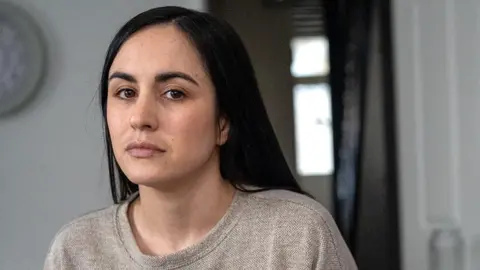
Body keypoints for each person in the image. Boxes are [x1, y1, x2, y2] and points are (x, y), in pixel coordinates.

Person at [44, 6, 357, 270]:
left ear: (224, 121)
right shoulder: (76, 251)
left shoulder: (297, 236)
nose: (140, 118)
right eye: (125, 92)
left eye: (174, 93)